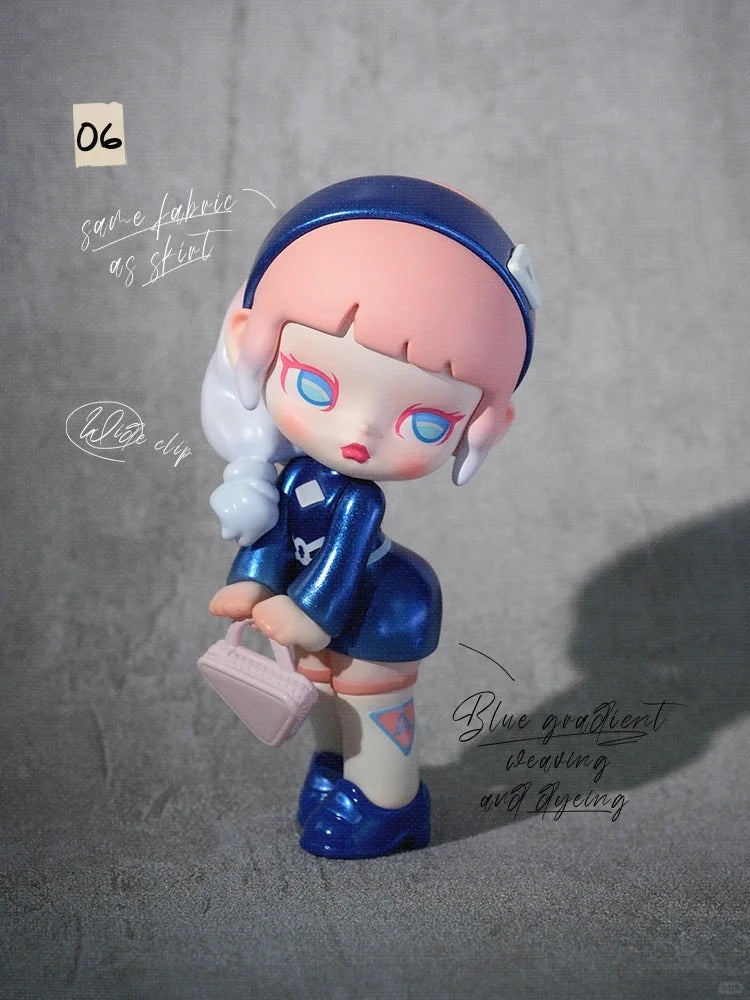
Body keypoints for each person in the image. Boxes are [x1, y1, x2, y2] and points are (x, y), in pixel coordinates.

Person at [201, 175, 539, 858]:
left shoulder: (359, 499)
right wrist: (252, 581)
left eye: (423, 420)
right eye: (317, 385)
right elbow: (276, 535)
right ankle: (337, 770)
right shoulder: (296, 476)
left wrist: (303, 613)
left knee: (369, 701)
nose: (360, 432)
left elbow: (342, 560)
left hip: (376, 609)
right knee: (323, 697)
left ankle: (390, 800)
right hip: (310, 606)